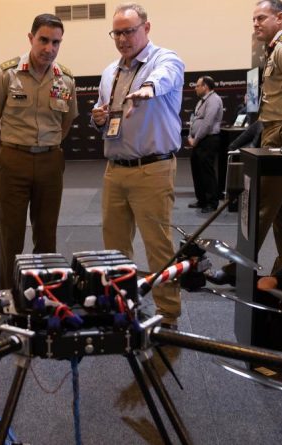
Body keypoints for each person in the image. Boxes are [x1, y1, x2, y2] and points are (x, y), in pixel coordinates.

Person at [90, 3, 185, 328]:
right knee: (114, 248)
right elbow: (107, 116)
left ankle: (168, 313)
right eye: (117, 32)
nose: (122, 38)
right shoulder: (109, 72)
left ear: (146, 28)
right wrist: (98, 118)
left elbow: (165, 78)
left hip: (152, 169)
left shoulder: (165, 59)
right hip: (115, 169)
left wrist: (147, 89)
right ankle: (122, 305)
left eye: (129, 30)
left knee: (158, 246)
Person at [212, 0, 282, 286]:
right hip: (281, 131)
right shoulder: (275, 49)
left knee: (260, 203)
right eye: (254, 19)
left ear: (280, 18)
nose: (256, 23)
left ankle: (238, 268)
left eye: (261, 17)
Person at [0, 13, 78, 290]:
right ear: (30, 38)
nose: (49, 48)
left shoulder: (66, 80)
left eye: (56, 42)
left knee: (47, 235)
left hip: (50, 161)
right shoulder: (6, 74)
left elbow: (66, 122)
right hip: (13, 159)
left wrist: (49, 146)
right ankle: (9, 297)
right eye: (44, 40)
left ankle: (44, 295)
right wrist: (11, 150)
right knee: (11, 235)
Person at [187, 75, 223, 213]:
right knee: (197, 170)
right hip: (198, 141)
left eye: (197, 85)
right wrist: (191, 136)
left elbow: (207, 123)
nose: (195, 88)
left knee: (207, 172)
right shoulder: (201, 101)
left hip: (208, 140)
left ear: (205, 87)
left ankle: (211, 202)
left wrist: (195, 140)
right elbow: (195, 120)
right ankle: (201, 200)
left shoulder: (214, 100)